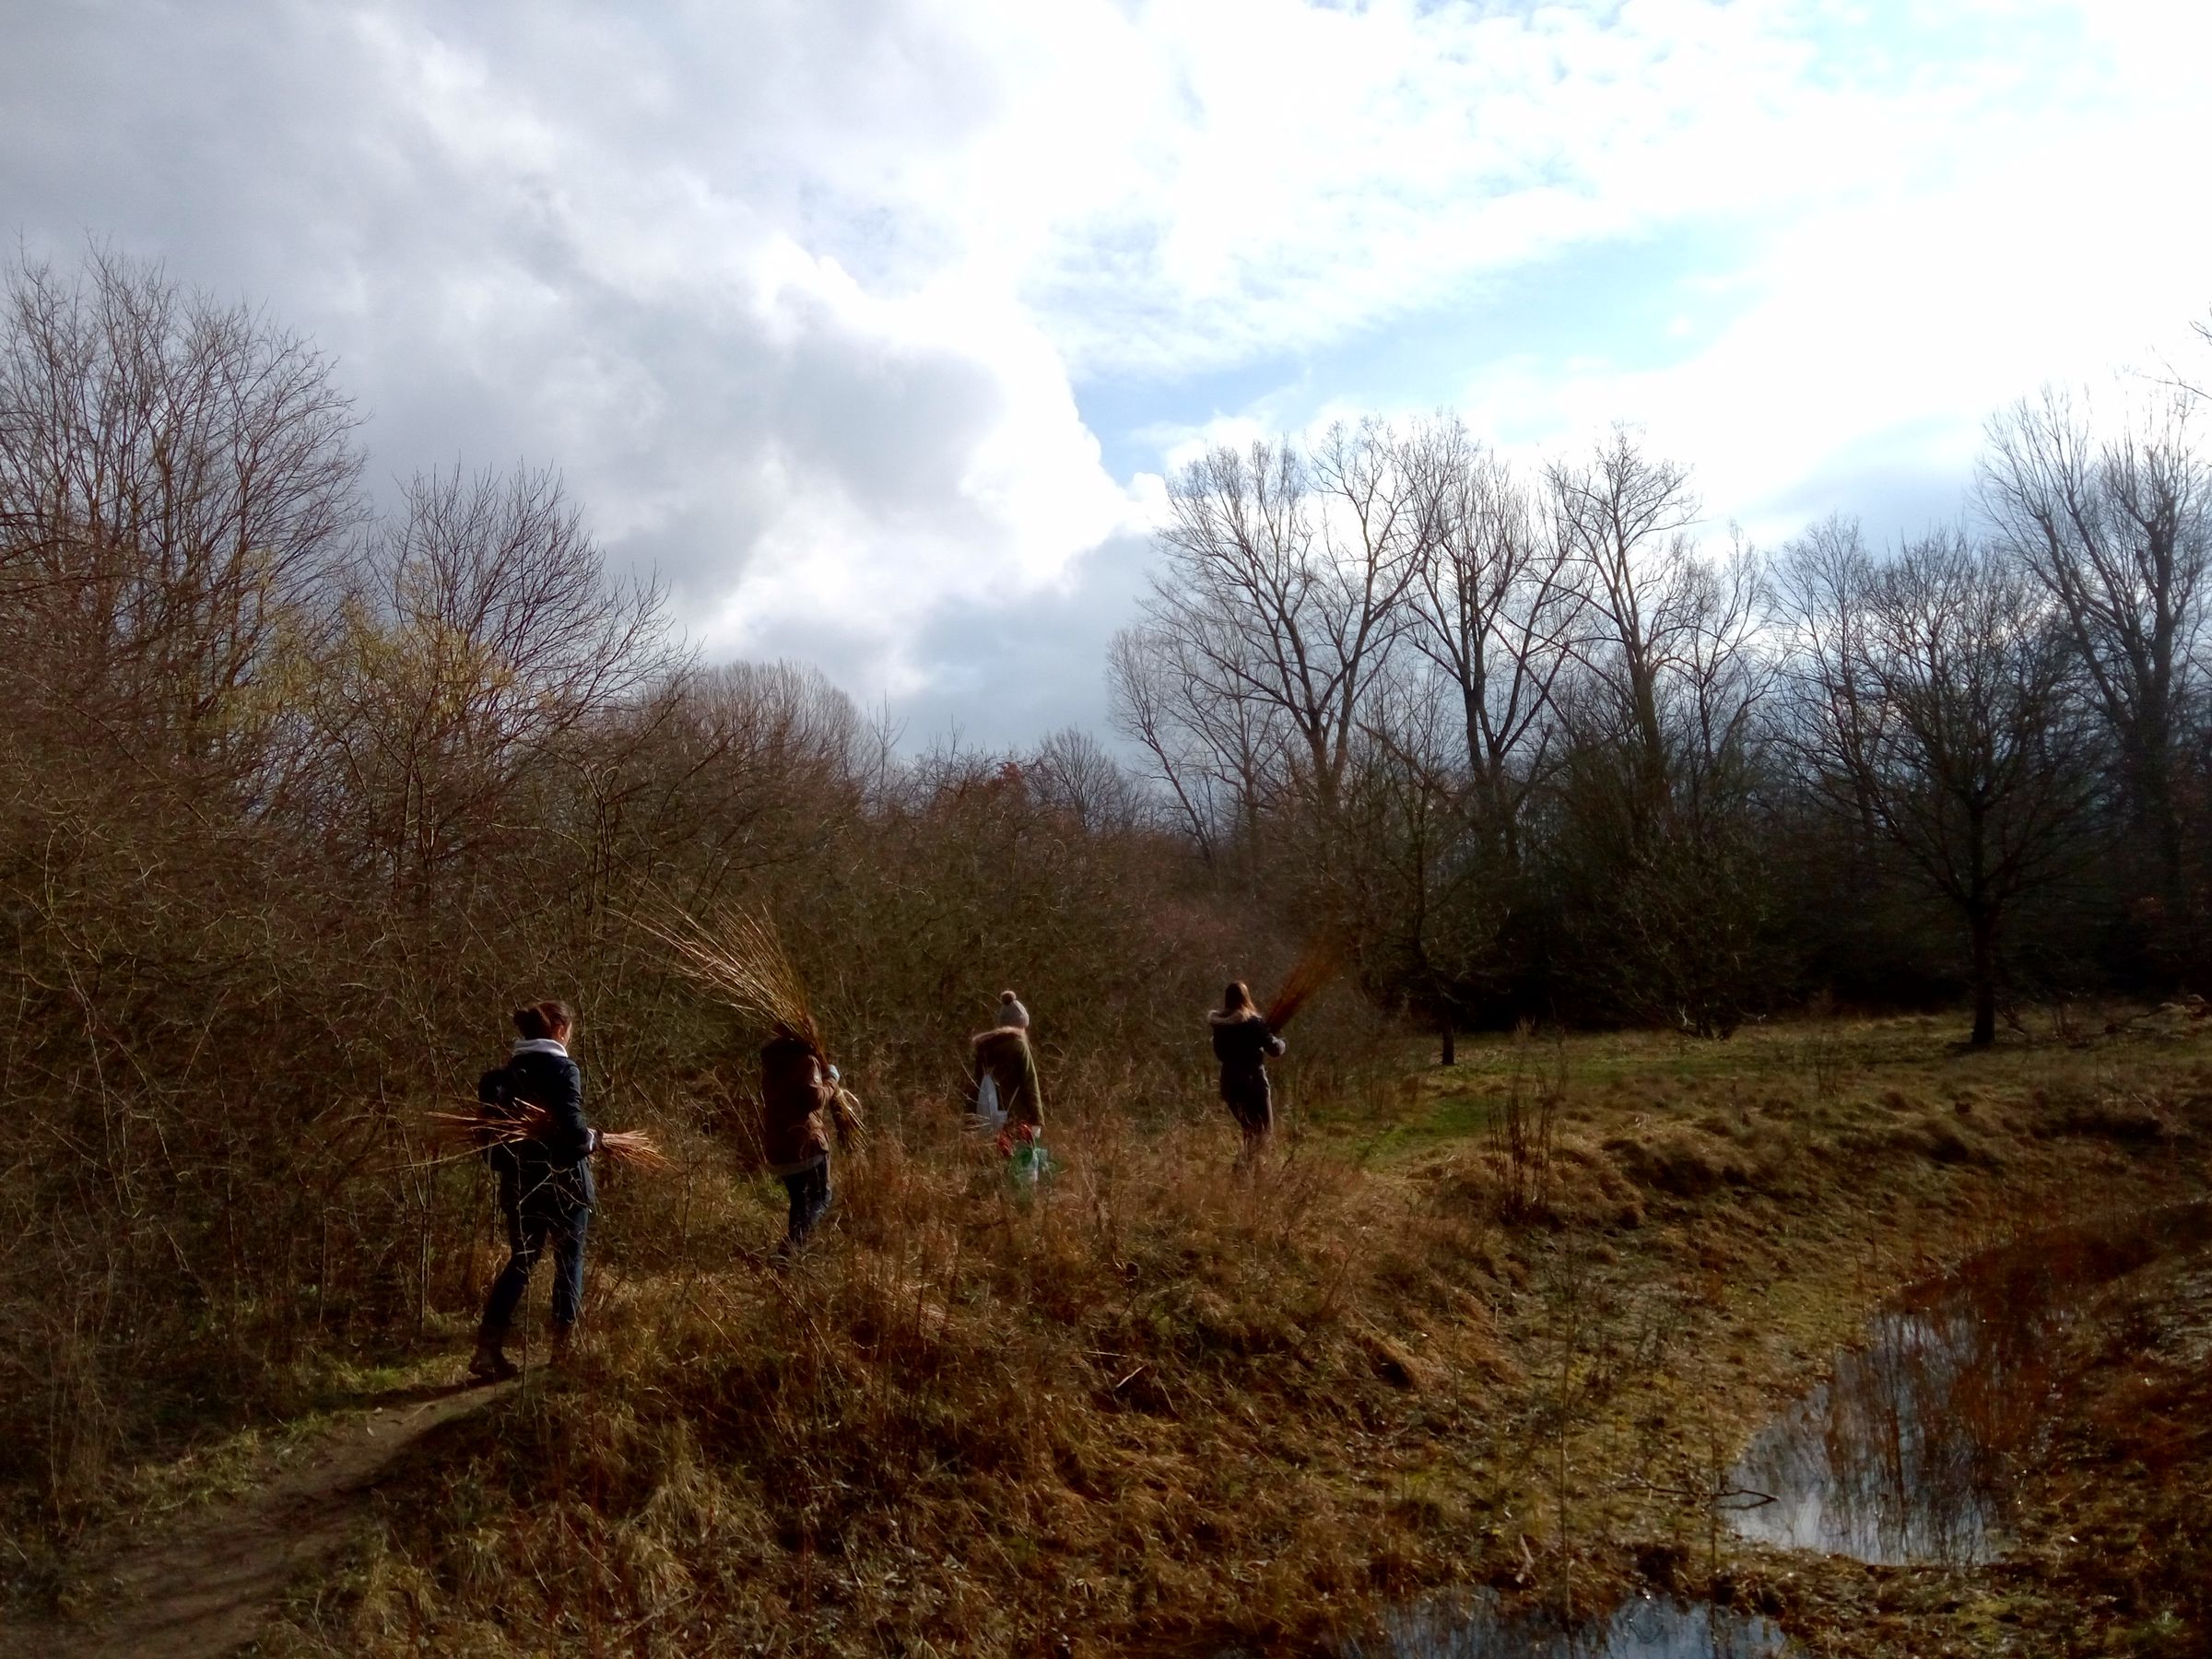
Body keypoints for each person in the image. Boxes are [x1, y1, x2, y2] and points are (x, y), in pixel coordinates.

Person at [471, 1001, 598, 1381]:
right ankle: (561, 1352)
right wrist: (594, 1139)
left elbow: (488, 1142)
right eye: (570, 1029)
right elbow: (575, 1132)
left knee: (521, 1261)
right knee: (569, 1261)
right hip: (565, 1186)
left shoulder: (498, 1079)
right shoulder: (563, 1069)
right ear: (560, 1028)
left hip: (519, 1184)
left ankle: (487, 1350)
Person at [759, 1025, 858, 1252]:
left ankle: (791, 1258)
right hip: (805, 1145)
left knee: (799, 1202)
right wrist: (832, 1079)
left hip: (778, 1147)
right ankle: (789, 1248)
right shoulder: (805, 1060)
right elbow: (814, 1097)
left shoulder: (772, 1063)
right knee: (822, 1197)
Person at [1209, 982, 1286, 1159]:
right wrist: (1281, 1043)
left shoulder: (1220, 1026)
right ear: (1246, 998)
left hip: (1229, 1082)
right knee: (1264, 1131)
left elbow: (1220, 1054)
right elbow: (1274, 1049)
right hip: (1253, 1083)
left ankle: (1249, 1176)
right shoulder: (1253, 1022)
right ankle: (1243, 1171)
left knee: (1250, 1130)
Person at [971, 1019, 1043, 1136]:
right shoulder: (1019, 1045)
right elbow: (1030, 1083)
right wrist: (1037, 1121)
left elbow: (976, 1085)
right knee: (1017, 1153)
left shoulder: (984, 1048)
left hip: (986, 1118)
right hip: (1015, 1119)